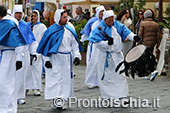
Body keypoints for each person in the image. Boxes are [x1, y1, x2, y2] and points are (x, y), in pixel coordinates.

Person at [37, 9, 83, 110]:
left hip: (66, 59)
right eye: (64, 17)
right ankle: (56, 100)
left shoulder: (70, 29)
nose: (66, 19)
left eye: (67, 17)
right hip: (55, 58)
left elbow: (74, 44)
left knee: (65, 81)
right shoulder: (50, 31)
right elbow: (45, 47)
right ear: (58, 18)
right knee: (55, 80)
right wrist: (47, 60)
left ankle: (61, 101)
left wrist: (76, 56)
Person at [88, 10, 140, 100]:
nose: (112, 22)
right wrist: (107, 44)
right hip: (105, 56)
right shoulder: (99, 28)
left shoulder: (116, 24)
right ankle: (108, 96)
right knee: (107, 77)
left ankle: (121, 94)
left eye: (112, 20)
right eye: (110, 21)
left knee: (120, 75)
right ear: (105, 19)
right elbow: (97, 42)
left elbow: (125, 31)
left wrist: (133, 36)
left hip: (117, 55)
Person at [0, 5, 27, 113]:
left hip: (9, 55)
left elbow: (18, 41)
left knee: (7, 83)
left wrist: (19, 58)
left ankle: (8, 109)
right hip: (3, 55)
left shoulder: (10, 23)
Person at [13, 4, 37, 104]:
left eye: (20, 13)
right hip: (12, 54)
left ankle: (19, 96)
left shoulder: (25, 26)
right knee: (11, 75)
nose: (18, 15)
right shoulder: (10, 24)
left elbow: (31, 40)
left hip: (24, 53)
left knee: (21, 76)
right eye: (17, 13)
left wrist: (33, 52)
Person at [26, 10, 47, 96]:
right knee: (26, 71)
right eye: (32, 16)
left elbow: (44, 38)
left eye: (34, 16)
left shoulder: (42, 27)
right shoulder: (27, 26)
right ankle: (26, 88)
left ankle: (36, 88)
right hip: (27, 51)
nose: (33, 18)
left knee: (37, 71)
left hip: (37, 51)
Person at [85, 5, 106, 89]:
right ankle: (91, 81)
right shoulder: (92, 21)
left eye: (103, 12)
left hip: (103, 45)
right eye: (101, 12)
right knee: (92, 63)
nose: (102, 14)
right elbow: (86, 32)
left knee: (102, 64)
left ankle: (101, 81)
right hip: (94, 46)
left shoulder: (106, 22)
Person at [138, 9, 160, 81]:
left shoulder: (143, 23)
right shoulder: (156, 24)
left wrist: (140, 41)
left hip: (145, 43)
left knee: (145, 58)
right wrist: (155, 42)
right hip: (152, 43)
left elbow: (140, 34)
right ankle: (152, 70)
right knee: (150, 55)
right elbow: (158, 36)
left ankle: (148, 72)